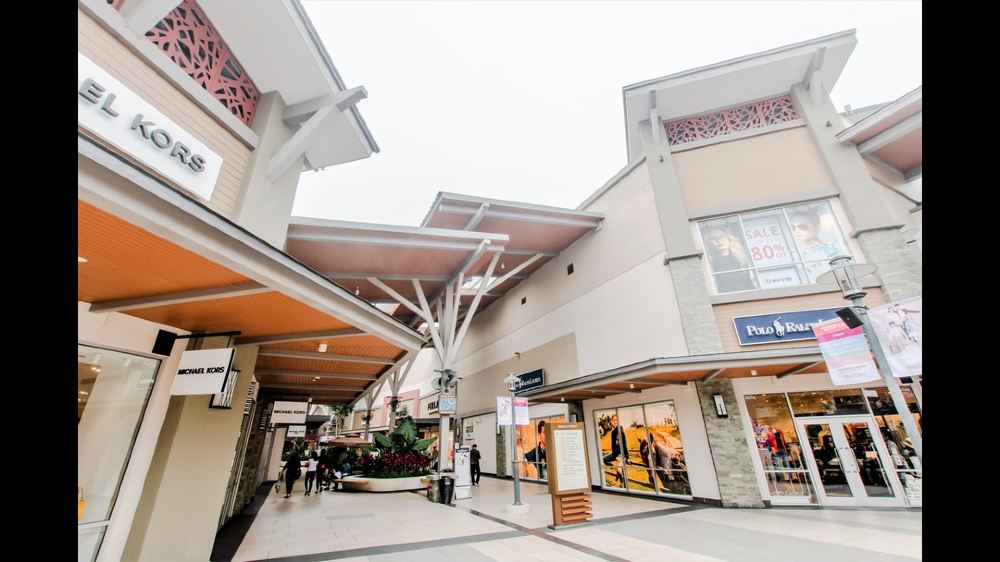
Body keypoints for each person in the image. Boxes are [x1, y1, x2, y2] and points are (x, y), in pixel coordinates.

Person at [702, 226, 755, 292]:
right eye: (713, 238)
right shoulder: (710, 264)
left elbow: (750, 282)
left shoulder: (742, 259)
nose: (718, 240)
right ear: (708, 243)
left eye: (722, 237)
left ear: (729, 239)